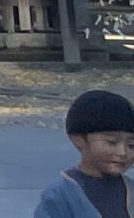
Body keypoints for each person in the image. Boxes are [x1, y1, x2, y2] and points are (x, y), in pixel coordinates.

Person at [40, 89, 134, 217]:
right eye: (111, 142)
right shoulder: (60, 194)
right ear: (79, 139)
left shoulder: (130, 189)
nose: (122, 152)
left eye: (131, 145)